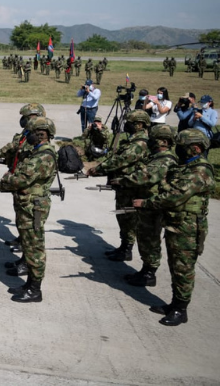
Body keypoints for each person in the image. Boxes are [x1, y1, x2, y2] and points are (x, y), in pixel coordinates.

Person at [133, 129, 215, 326]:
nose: (177, 149)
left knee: (183, 269)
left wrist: (145, 203)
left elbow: (175, 195)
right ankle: (174, 303)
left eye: (182, 146)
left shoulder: (200, 171)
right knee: (174, 266)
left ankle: (181, 309)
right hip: (176, 224)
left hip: (187, 228)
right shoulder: (186, 167)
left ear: (195, 148)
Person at [0, 117, 57, 302]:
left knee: (34, 246)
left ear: (41, 134)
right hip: (28, 204)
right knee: (28, 244)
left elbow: (21, 179)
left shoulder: (43, 156)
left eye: (30, 133)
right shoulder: (38, 152)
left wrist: (0, 184)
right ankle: (29, 284)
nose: (27, 136)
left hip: (34, 207)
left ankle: (35, 290)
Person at [114, 125, 178, 287]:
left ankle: (149, 272)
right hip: (147, 205)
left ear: (160, 141)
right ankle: (146, 270)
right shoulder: (157, 157)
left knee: (149, 239)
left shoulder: (164, 160)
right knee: (144, 237)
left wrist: (121, 181)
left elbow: (145, 176)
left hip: (153, 207)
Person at [88, 110, 151, 262]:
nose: (127, 124)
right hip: (124, 187)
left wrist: (98, 169)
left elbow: (121, 160)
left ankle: (127, 249)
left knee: (128, 219)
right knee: (123, 217)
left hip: (131, 189)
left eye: (130, 122)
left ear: (139, 124)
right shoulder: (132, 140)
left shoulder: (139, 143)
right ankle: (124, 247)